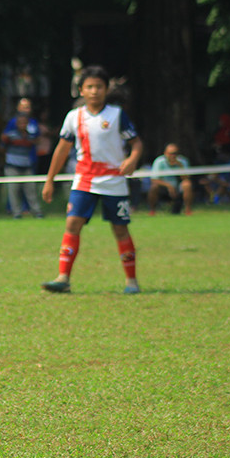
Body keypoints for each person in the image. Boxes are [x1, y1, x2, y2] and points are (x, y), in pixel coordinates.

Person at [40, 65, 143, 295]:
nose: (94, 91)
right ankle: (63, 277)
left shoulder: (117, 115)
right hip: (84, 180)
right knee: (72, 224)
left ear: (106, 89)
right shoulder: (73, 117)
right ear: (81, 90)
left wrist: (132, 159)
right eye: (89, 87)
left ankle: (131, 281)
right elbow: (61, 150)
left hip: (114, 182)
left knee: (120, 229)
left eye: (99, 86)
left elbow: (136, 143)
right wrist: (50, 180)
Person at [1, 98, 44, 218]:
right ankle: (16, 212)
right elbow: (3, 143)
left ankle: (36, 211)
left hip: (28, 163)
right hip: (12, 165)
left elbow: (37, 140)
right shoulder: (11, 129)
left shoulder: (32, 126)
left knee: (31, 190)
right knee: (13, 191)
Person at [147, 143, 193, 215]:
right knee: (154, 186)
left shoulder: (183, 161)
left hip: (178, 187)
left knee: (187, 184)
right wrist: (169, 186)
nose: (173, 156)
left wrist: (180, 166)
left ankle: (188, 210)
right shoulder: (159, 161)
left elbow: (186, 178)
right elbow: (154, 179)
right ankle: (152, 210)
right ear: (165, 153)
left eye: (175, 153)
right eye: (171, 154)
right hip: (164, 187)